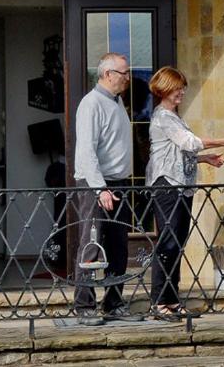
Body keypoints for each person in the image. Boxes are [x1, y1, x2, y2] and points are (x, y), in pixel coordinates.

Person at [145, 66, 224, 318]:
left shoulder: (174, 117)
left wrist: (204, 159)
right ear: (165, 89)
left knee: (177, 244)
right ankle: (159, 302)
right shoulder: (163, 117)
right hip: (166, 186)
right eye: (177, 88)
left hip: (181, 187)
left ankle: (172, 300)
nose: (182, 92)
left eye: (182, 88)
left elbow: (179, 153)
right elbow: (189, 142)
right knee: (168, 243)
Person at [72, 52, 139, 325]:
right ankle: (84, 305)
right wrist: (100, 189)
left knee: (118, 245)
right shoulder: (91, 104)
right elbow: (87, 151)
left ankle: (113, 302)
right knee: (92, 243)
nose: (128, 78)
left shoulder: (117, 101)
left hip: (118, 183)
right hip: (95, 183)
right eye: (124, 73)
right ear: (108, 74)